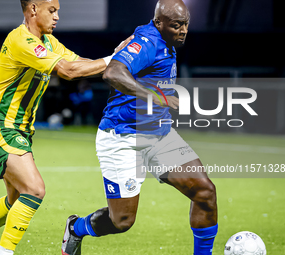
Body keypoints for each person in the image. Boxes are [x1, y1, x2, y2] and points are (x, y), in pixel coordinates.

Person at [0, 0, 132, 254]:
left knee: (15, 200)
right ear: (33, 9)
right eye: (52, 11)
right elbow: (69, 71)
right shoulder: (20, 40)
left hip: (19, 130)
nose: (57, 17)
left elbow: (80, 63)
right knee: (34, 189)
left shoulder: (49, 42)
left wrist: (116, 58)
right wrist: (113, 58)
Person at [61, 0, 218, 255]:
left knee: (205, 192)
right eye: (176, 25)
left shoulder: (165, 41)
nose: (183, 30)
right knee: (121, 221)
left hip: (159, 135)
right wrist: (155, 96)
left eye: (186, 24)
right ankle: (76, 227)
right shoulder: (148, 42)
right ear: (159, 23)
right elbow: (112, 73)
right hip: (123, 136)